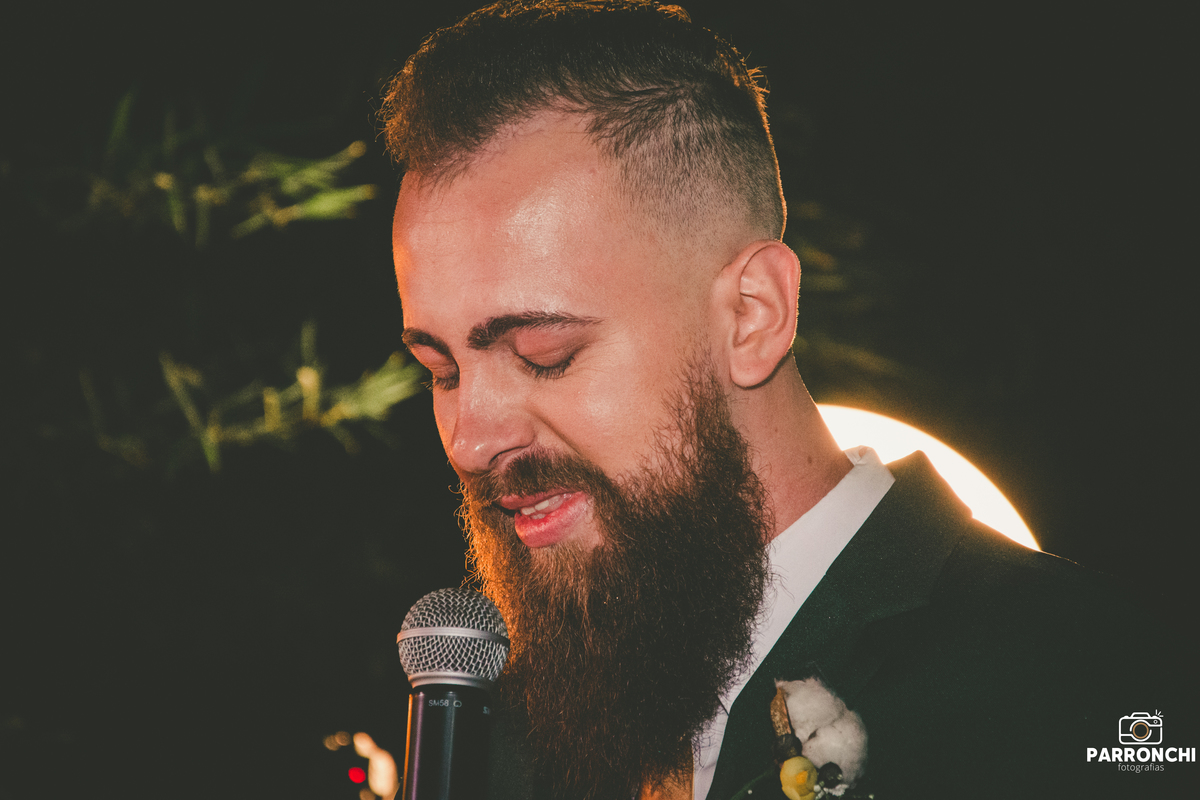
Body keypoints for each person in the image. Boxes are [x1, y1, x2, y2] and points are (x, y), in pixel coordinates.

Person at [381, 2, 1190, 799]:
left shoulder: (1095, 685)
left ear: (753, 315)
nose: (469, 440)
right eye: (441, 372)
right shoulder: (500, 743)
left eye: (544, 355)